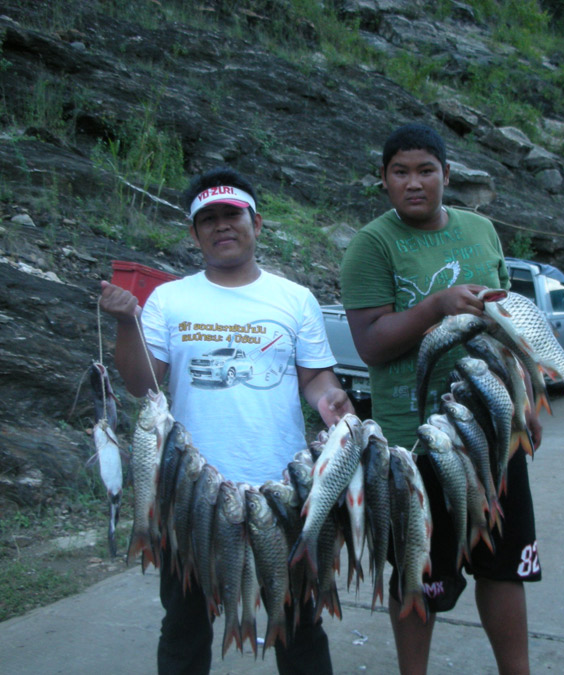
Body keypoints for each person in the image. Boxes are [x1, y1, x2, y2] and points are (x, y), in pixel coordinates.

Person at [99, 167, 353, 675]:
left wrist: (332, 402)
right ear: (194, 234)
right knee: (185, 624)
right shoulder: (170, 299)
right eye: (208, 219)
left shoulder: (295, 298)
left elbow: (316, 380)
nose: (222, 227)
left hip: (282, 487)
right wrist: (127, 322)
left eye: (232, 215)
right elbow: (140, 383)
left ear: (256, 224)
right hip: (190, 489)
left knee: (299, 622)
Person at [340, 123, 541, 675]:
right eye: (400, 172)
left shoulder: (481, 230)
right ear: (383, 181)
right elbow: (371, 345)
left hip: (495, 429)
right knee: (417, 571)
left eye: (426, 170)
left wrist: (524, 398)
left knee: (504, 566)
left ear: (447, 176)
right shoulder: (371, 246)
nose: (413, 183)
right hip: (416, 442)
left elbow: (507, 321)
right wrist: (436, 307)